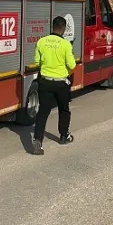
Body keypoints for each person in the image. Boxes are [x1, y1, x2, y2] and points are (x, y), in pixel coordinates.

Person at [32, 16, 76, 155]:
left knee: (43, 112)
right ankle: (64, 136)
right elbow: (72, 65)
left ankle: (38, 141)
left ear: (52, 27)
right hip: (61, 83)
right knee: (64, 109)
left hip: (45, 82)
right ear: (63, 29)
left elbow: (37, 63)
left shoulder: (41, 42)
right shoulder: (65, 44)